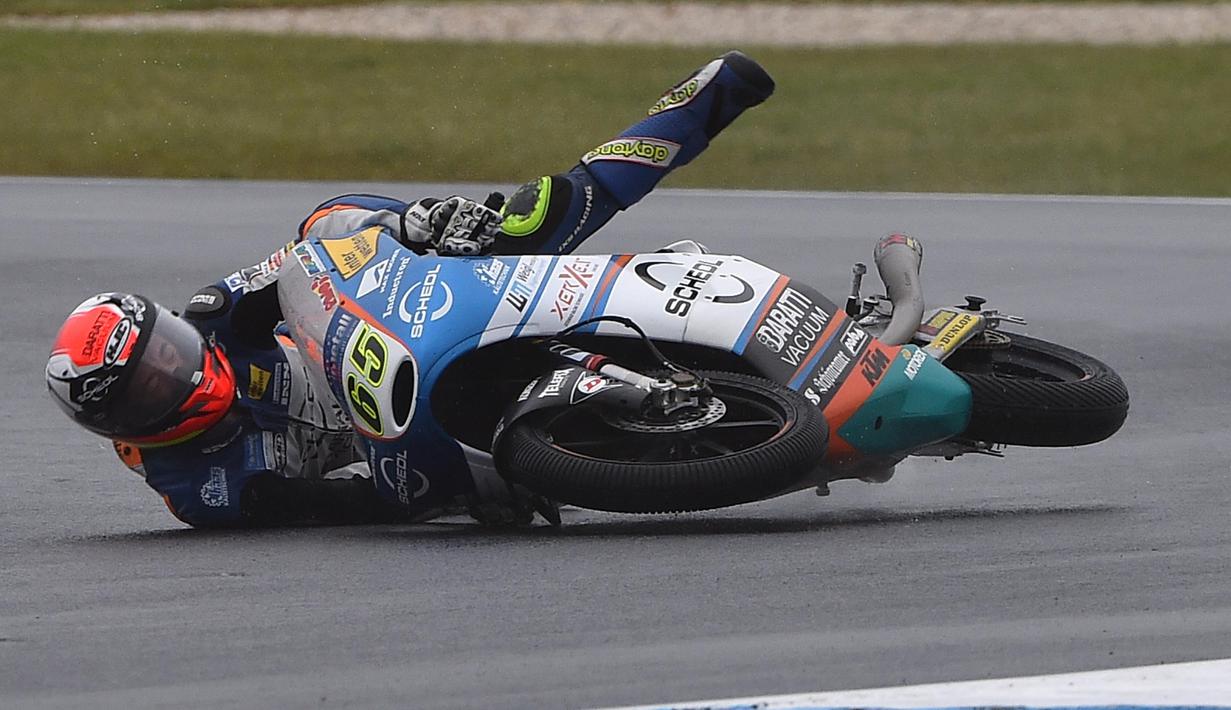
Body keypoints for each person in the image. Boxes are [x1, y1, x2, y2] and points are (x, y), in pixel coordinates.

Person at [45, 50, 776, 527]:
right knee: (488, 502)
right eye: (151, 384)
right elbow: (351, 506)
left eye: (165, 349)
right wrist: (452, 498)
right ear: (126, 424)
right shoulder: (202, 488)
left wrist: (410, 227)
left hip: (388, 309)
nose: (177, 367)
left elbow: (307, 250)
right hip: (390, 433)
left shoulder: (214, 317)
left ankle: (694, 109)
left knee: (509, 225)